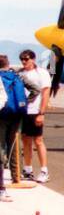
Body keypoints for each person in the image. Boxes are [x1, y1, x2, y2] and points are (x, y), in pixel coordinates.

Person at [17, 49, 51, 183]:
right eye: (22, 59)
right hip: (23, 111)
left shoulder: (42, 73)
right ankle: (28, 169)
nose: (24, 61)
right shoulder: (20, 73)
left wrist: (41, 113)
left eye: (26, 59)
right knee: (25, 141)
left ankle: (44, 171)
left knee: (38, 141)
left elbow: (46, 93)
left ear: (33, 59)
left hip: (35, 111)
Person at [0, 54, 25, 201]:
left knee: (1, 149)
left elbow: (2, 98)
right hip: (16, 115)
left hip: (1, 117)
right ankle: (17, 176)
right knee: (14, 146)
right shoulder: (16, 76)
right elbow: (35, 89)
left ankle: (1, 187)